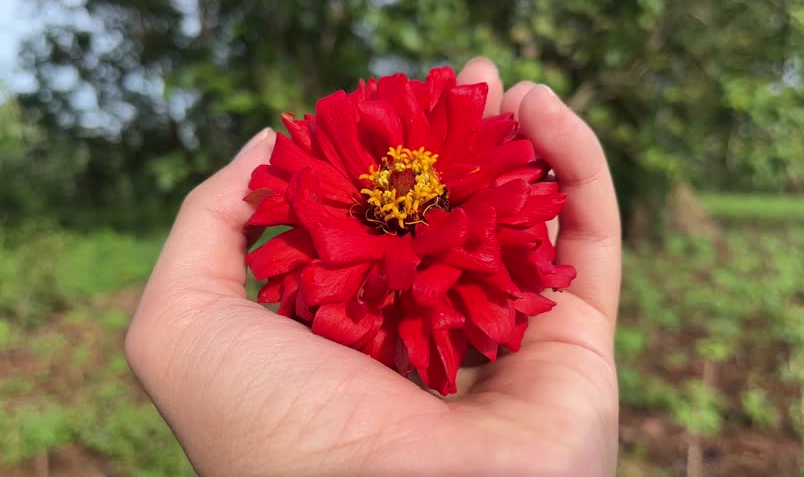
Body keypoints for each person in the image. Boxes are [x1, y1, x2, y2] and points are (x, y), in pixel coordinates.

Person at [125, 57, 622, 476]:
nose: (403, 181)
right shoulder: (342, 215)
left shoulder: (479, 206)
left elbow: (513, 191)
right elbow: (301, 236)